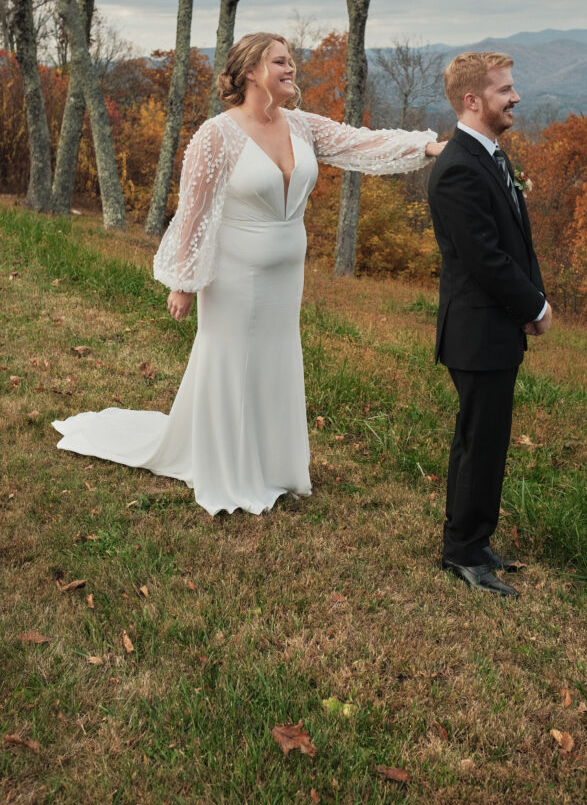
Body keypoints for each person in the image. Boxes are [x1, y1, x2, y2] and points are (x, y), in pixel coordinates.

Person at [54, 32, 443, 515]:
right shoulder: (216, 135)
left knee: (276, 358)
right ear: (250, 72)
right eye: (280, 61)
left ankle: (273, 466)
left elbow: (362, 143)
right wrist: (185, 283)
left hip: (285, 276)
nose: (291, 68)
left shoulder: (303, 127)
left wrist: (428, 148)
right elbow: (193, 215)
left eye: (292, 61)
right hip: (234, 276)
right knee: (230, 358)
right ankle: (227, 470)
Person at [427, 51, 551, 597]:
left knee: (486, 437)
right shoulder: (457, 168)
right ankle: (462, 550)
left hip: (495, 327)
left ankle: (474, 538)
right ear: (473, 101)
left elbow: (516, 242)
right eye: (505, 90)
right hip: (476, 330)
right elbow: (485, 259)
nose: (515, 97)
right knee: (480, 439)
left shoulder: (492, 157)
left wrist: (534, 296)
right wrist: (535, 307)